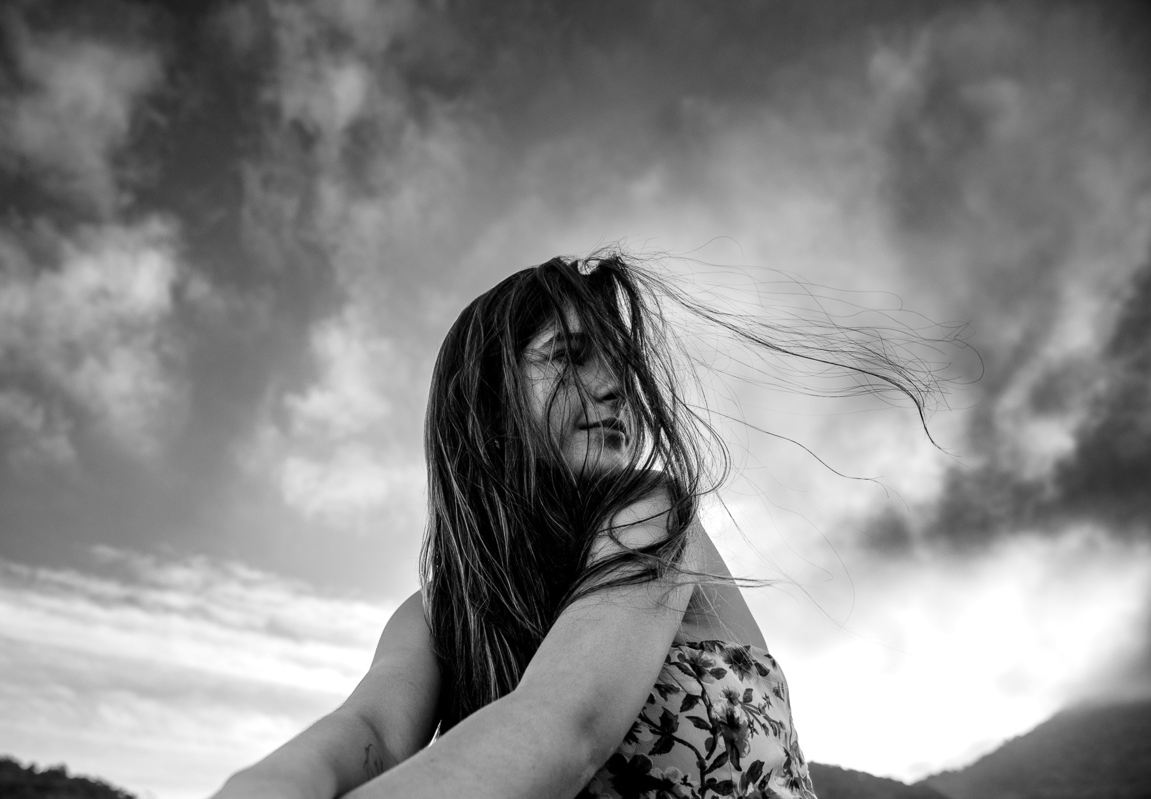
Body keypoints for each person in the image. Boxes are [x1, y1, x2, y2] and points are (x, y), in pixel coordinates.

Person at [214, 251, 939, 799]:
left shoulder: (649, 517)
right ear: (491, 403)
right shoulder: (438, 613)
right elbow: (369, 731)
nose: (614, 387)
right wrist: (264, 787)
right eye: (567, 357)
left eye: (619, 365)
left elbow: (566, 724)